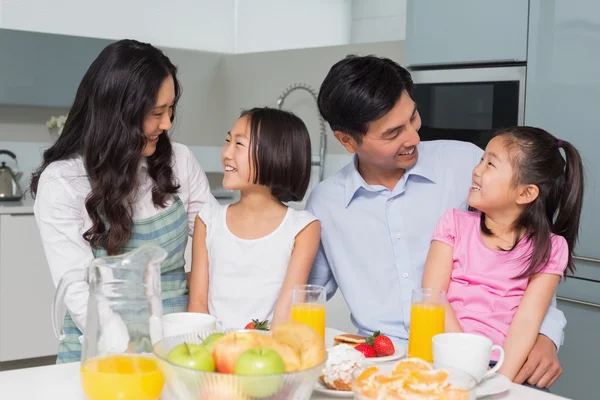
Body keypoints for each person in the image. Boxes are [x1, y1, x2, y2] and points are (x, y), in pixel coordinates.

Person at [306, 55, 566, 388]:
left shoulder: (466, 164)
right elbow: (306, 292)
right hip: (383, 367)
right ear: (347, 141)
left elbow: (528, 255)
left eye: (413, 117)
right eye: (392, 133)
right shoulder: (326, 204)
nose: (413, 137)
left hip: (484, 360)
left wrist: (546, 335)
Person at [31, 39, 217, 363]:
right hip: (102, 357)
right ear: (117, 114)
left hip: (179, 350)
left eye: (171, 109)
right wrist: (133, 360)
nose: (168, 124)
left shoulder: (180, 161)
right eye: (156, 113)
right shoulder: (62, 182)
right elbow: (78, 292)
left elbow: (216, 241)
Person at [422, 127, 583, 386]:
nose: (477, 170)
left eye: (490, 164)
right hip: (444, 361)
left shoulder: (551, 249)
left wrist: (501, 381)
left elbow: (528, 321)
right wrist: (464, 360)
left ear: (525, 193)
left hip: (501, 369)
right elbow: (433, 295)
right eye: (481, 159)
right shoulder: (453, 224)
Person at [187, 107, 321, 330]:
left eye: (239, 144)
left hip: (268, 355)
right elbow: (198, 306)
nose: (227, 153)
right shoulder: (208, 219)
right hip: (213, 353)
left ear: (275, 154)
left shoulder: (303, 227)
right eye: (228, 141)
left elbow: (285, 313)